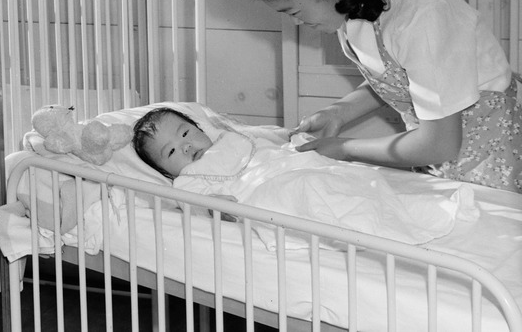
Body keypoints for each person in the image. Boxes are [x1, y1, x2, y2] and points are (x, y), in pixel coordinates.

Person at [226, 0, 522, 193]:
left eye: (294, 10)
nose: (295, 22)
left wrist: (346, 148)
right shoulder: (350, 4)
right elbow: (402, 79)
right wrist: (339, 112)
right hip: (441, 156)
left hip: (491, 158)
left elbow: (441, 143)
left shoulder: (420, 18)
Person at [131, 105, 475, 245]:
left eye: (186, 134)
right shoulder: (188, 182)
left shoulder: (231, 139)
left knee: (353, 178)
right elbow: (195, 206)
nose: (186, 147)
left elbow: (277, 146)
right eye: (172, 152)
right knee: (305, 189)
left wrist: (294, 141)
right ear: (166, 170)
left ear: (199, 127)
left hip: (290, 167)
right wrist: (214, 209)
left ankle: (389, 218)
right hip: (267, 194)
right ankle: (372, 233)